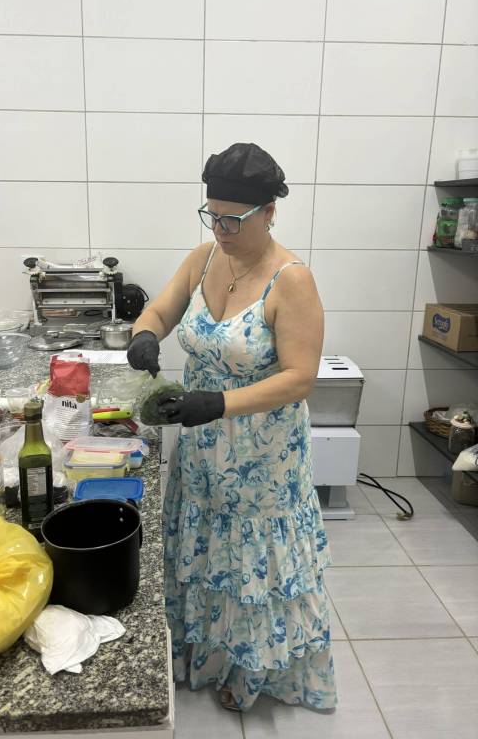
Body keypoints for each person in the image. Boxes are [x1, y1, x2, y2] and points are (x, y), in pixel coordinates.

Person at [127, 142, 336, 713]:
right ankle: (203, 654)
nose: (220, 229)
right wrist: (144, 334)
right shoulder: (203, 258)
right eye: (212, 215)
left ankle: (250, 671)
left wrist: (219, 403)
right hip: (203, 446)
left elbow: (299, 378)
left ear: (269, 212)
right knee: (206, 549)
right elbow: (161, 310)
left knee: (250, 563)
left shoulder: (292, 280)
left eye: (233, 219)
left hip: (261, 456)